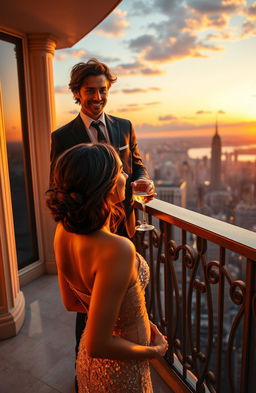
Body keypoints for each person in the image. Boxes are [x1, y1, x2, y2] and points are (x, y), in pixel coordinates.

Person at [50, 58, 156, 387]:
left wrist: (144, 181)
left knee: (120, 302)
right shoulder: (63, 136)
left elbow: (136, 167)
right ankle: (84, 362)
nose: (97, 97)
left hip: (121, 228)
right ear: (77, 94)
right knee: (92, 314)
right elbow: (61, 181)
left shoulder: (124, 125)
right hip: (89, 231)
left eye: (102, 90)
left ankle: (90, 364)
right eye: (90, 91)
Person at [47, 143, 168, 392]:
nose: (127, 178)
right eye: (122, 171)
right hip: (121, 370)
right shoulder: (117, 249)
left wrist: (132, 317)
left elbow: (71, 302)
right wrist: (153, 351)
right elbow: (99, 344)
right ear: (106, 185)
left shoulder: (62, 231)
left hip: (89, 363)